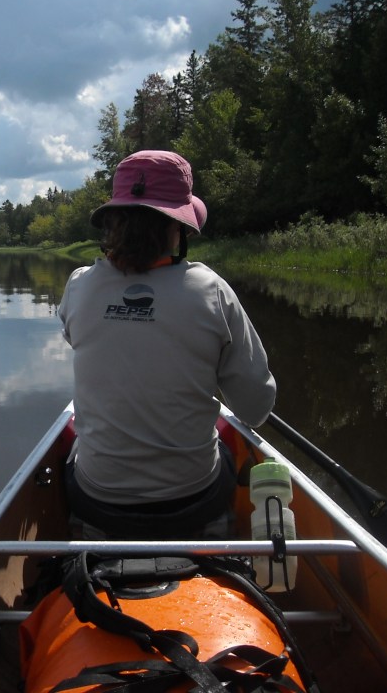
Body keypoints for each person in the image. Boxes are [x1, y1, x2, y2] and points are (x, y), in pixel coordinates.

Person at [58, 150, 275, 540]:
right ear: (178, 226)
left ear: (113, 222)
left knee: (71, 446)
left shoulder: (79, 286)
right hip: (195, 499)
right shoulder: (211, 291)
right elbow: (256, 409)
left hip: (99, 501)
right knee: (227, 444)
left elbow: (77, 338)